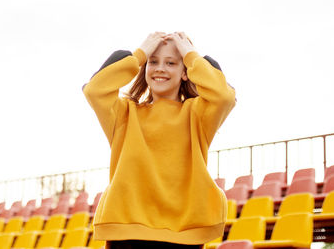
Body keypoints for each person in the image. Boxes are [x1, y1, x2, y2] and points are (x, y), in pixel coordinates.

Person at [83, 32, 236, 249]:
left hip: (182, 234)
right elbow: (95, 90)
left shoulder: (197, 114)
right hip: (127, 231)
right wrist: (139, 55)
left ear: (185, 73)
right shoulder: (125, 114)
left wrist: (190, 56)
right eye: (153, 62)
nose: (160, 68)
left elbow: (224, 96)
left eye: (171, 63)